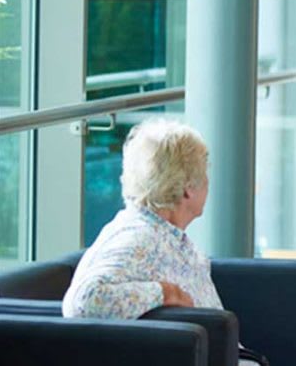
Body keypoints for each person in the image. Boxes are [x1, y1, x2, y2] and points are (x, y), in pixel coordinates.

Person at [63, 118, 215, 319]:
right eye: (204, 174)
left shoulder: (162, 232)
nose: (208, 181)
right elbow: (84, 302)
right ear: (188, 188)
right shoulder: (141, 239)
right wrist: (167, 293)